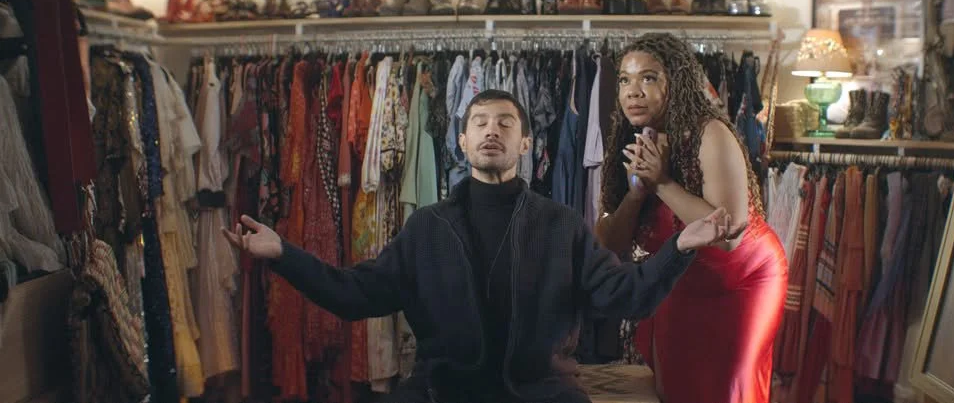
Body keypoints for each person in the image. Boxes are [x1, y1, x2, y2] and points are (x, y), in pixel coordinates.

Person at [223, 89, 743, 403]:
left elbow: (624, 296)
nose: (491, 131)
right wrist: (284, 255)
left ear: (525, 144)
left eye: (505, 123)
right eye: (479, 123)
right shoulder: (427, 227)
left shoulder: (561, 224)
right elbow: (355, 294)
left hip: (542, 393)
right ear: (462, 142)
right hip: (441, 392)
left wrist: (680, 246)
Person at [595, 33, 788, 403]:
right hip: (681, 281)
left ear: (676, 80)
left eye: (648, 78)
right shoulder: (631, 138)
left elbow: (728, 232)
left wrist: (662, 183)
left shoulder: (709, 134)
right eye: (624, 80)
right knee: (677, 387)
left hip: (742, 280)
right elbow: (610, 244)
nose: (633, 91)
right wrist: (636, 195)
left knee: (730, 389)